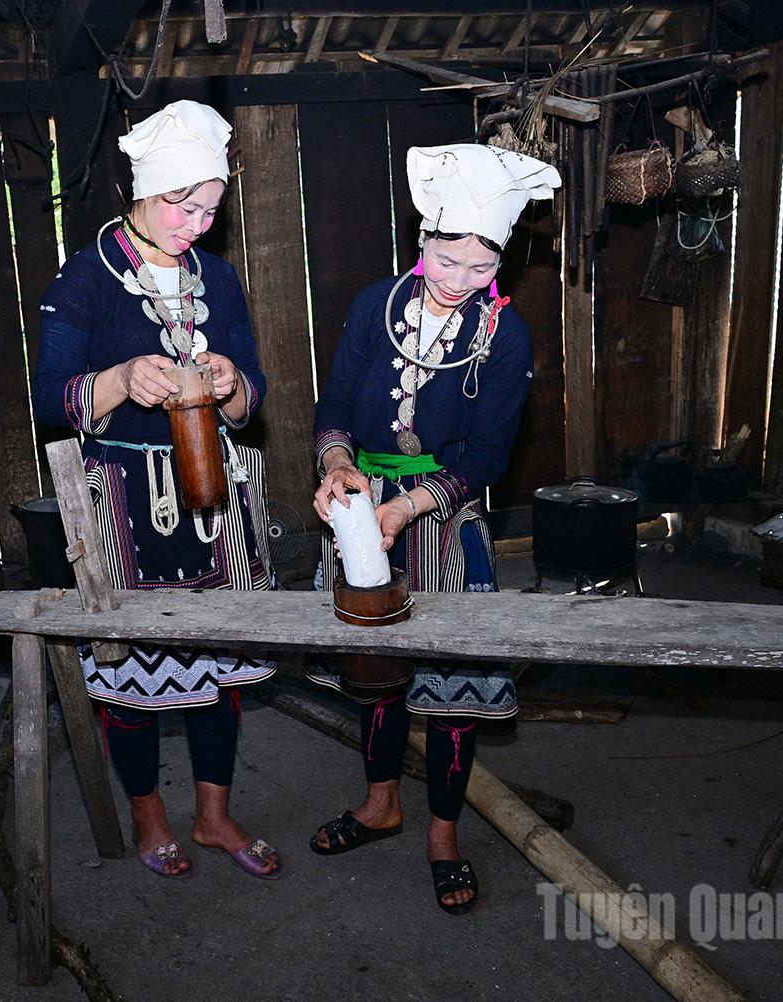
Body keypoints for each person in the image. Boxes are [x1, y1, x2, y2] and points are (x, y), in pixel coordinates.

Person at [308, 143, 560, 912]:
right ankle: (381, 802)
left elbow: (487, 456)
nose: (458, 283)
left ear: (501, 267)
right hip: (363, 513)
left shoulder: (504, 336)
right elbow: (334, 408)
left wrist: (406, 507)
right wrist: (339, 467)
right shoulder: (372, 307)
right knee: (377, 677)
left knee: (453, 694)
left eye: (480, 270)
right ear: (422, 244)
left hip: (445, 518)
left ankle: (444, 832)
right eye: (446, 261)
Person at [32, 100, 280, 880]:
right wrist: (115, 379)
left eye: (211, 208)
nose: (198, 223)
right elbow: (49, 399)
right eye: (183, 204)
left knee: (218, 670)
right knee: (131, 675)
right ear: (143, 189)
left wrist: (235, 382)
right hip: (129, 506)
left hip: (219, 504)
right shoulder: (89, 276)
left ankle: (212, 814)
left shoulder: (219, 276)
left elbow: (254, 397)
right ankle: (148, 814)